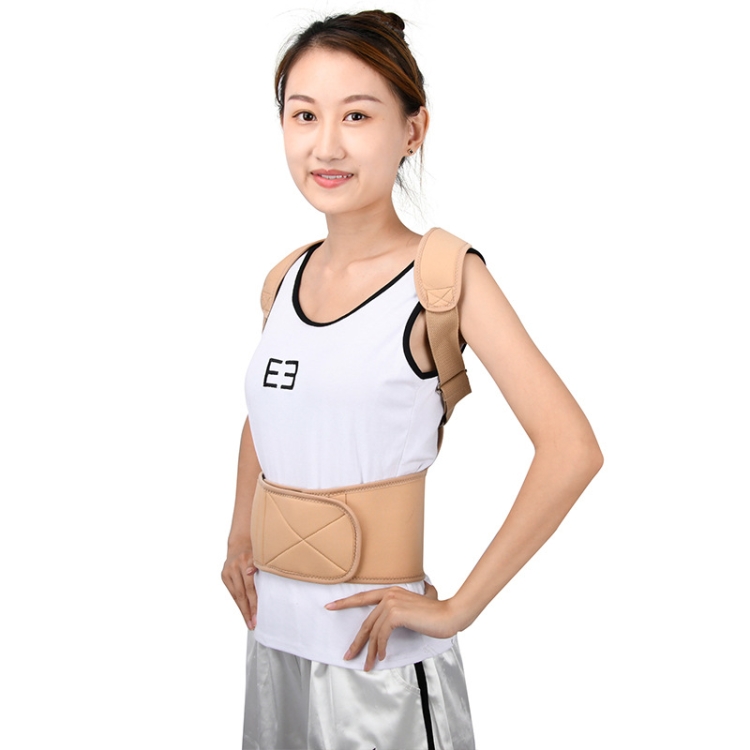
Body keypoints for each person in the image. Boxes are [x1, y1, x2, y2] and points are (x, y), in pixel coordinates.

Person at [221, 10, 603, 749]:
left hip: (377, 665)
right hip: (274, 647)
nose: (326, 146)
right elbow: (269, 413)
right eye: (304, 115)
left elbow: (572, 449)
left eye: (357, 115)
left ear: (412, 130)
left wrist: (458, 608)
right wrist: (240, 534)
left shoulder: (444, 277)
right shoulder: (284, 279)